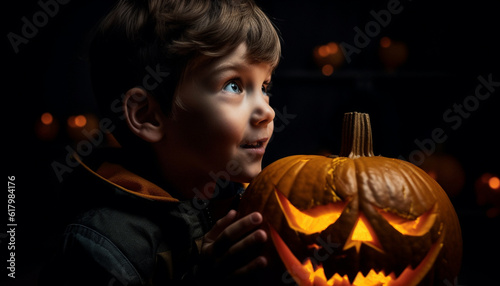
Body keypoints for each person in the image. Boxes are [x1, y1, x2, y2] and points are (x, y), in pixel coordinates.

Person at [39, 0, 281, 285]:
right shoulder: (101, 248)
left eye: (264, 87)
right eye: (234, 86)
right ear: (148, 116)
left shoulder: (243, 206)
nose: (267, 111)